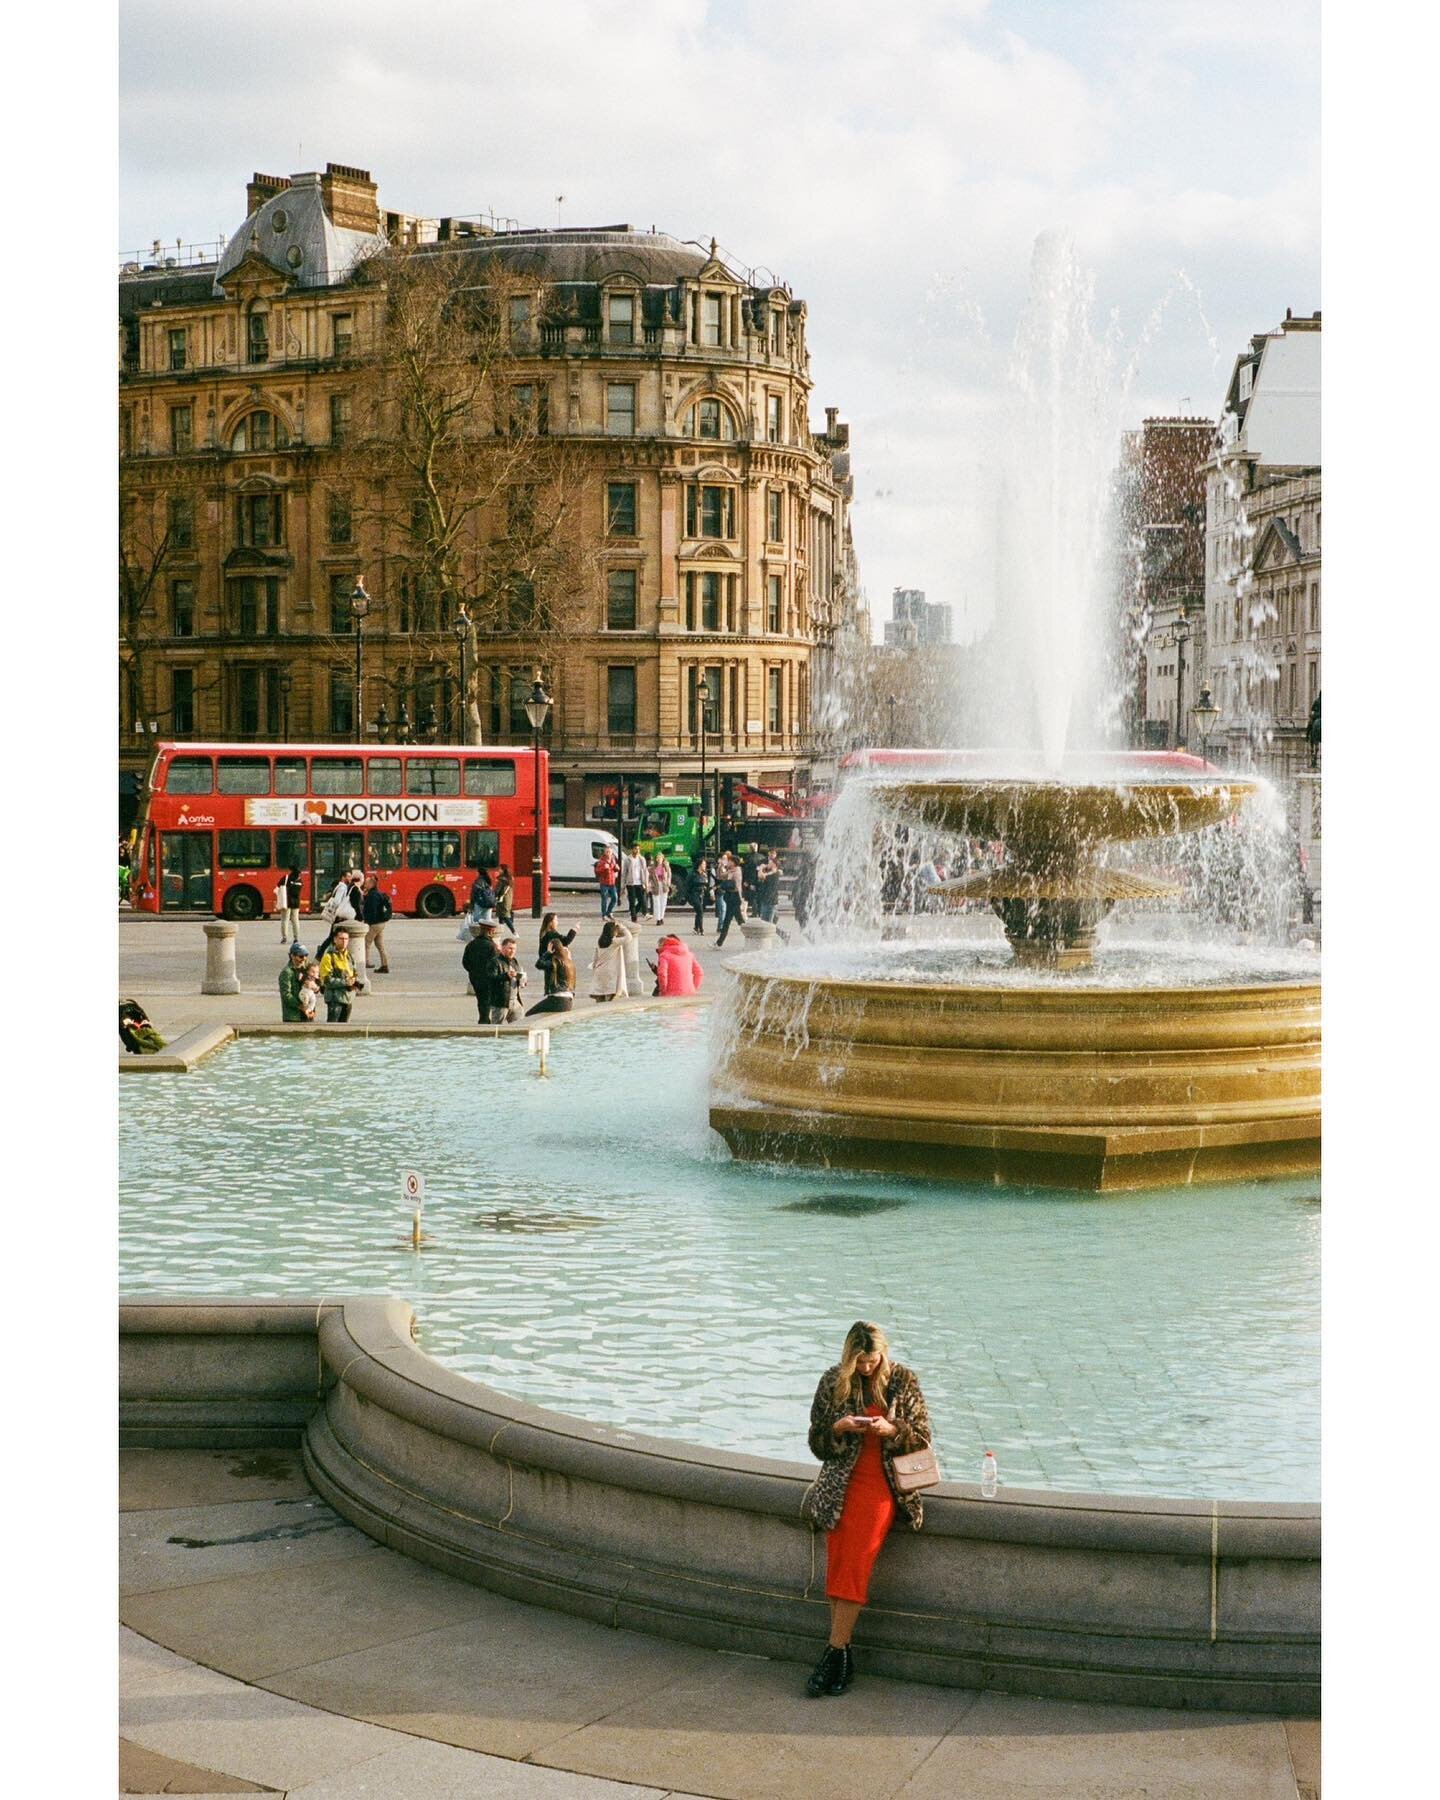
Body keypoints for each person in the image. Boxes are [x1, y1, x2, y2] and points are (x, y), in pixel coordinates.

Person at [801, 1321, 933, 1699]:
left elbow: (923, 1436)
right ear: (849, 1356)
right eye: (859, 1360)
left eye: (871, 1359)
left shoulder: (903, 1380)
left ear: (883, 1353)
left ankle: (833, 1653)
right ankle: (840, 1656)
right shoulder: (833, 1381)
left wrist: (892, 1431)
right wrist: (839, 1429)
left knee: (856, 1566)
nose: (865, 1367)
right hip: (840, 1486)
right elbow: (816, 1441)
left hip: (881, 1488)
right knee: (839, 1566)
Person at [462, 921, 508, 1024]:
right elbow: (496, 962)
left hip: (475, 978)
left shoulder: (471, 944)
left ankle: (483, 1019)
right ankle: (485, 1022)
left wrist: (473, 972)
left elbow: (465, 962)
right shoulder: (492, 946)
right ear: (491, 931)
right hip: (489, 979)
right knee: (490, 1001)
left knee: (481, 1001)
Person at [317, 926, 358, 1023]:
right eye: (341, 939)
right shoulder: (328, 957)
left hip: (348, 998)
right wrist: (345, 982)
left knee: (345, 1029)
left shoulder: (349, 956)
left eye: (346, 939)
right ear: (335, 939)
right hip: (335, 999)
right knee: (333, 1028)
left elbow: (354, 973)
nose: (344, 941)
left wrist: (354, 982)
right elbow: (326, 980)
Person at [527, 937, 576, 1014]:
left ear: (552, 949)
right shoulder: (570, 964)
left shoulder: (555, 963)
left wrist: (548, 952)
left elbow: (538, 964)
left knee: (529, 1015)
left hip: (557, 999)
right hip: (568, 1000)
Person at [590, 917, 632, 1000]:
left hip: (599, 971)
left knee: (600, 997)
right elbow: (629, 938)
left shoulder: (599, 942)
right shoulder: (614, 942)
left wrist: (594, 968)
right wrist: (622, 927)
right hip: (610, 972)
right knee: (609, 998)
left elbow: (595, 958)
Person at [362, 873, 393, 973]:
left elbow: (372, 911)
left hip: (375, 923)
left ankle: (365, 962)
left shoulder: (373, 895)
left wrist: (368, 922)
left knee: (366, 942)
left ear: (371, 884)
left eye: (366, 883)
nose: (364, 884)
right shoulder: (377, 893)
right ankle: (385, 965)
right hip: (381, 923)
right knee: (380, 945)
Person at [714, 852, 744, 947]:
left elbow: (732, 883)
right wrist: (720, 866)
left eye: (729, 861)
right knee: (733, 921)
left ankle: (756, 934)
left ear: (734, 862)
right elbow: (719, 876)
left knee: (738, 921)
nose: (728, 862)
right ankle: (719, 943)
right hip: (731, 898)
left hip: (735, 898)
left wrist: (725, 871)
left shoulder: (737, 871)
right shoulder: (731, 870)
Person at [496, 934, 527, 1021]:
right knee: (496, 1028)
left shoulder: (514, 961)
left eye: (514, 949)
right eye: (510, 948)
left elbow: (519, 975)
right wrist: (505, 976)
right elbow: (490, 979)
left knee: (519, 1026)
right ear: (502, 948)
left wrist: (522, 980)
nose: (512, 951)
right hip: (501, 1002)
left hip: (515, 1001)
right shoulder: (495, 962)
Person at [278, 942, 311, 1022]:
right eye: (301, 956)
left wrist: (316, 987)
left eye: (306, 955)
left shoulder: (306, 969)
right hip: (293, 1016)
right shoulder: (286, 972)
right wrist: (300, 1006)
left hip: (307, 1013)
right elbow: (286, 995)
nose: (304, 958)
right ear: (292, 956)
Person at [754, 853, 782, 924]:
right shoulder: (771, 873)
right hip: (766, 899)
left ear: (774, 865)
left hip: (770, 901)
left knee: (768, 923)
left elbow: (760, 876)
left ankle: (777, 932)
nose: (767, 864)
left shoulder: (775, 874)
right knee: (764, 921)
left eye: (769, 863)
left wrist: (760, 868)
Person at [624, 846, 648, 922]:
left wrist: (645, 883)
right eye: (635, 849)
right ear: (632, 850)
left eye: (638, 849)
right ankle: (634, 917)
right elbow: (624, 872)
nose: (637, 850)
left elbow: (645, 871)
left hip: (640, 882)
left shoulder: (642, 859)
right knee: (632, 901)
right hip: (631, 883)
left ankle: (638, 913)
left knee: (642, 900)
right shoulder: (628, 859)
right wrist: (623, 885)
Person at [689, 856, 713, 935]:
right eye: (703, 864)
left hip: (703, 895)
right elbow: (688, 886)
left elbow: (708, 885)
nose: (705, 866)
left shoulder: (705, 874)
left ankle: (696, 928)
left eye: (705, 864)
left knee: (700, 912)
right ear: (699, 865)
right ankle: (701, 929)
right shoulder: (693, 874)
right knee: (700, 911)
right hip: (695, 894)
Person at [595, 847, 620, 919]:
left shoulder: (613, 860)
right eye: (607, 852)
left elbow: (614, 869)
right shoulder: (602, 861)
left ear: (612, 853)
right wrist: (603, 868)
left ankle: (609, 912)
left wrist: (617, 868)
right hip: (604, 883)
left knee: (615, 898)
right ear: (605, 853)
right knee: (604, 899)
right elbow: (597, 870)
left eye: (610, 852)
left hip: (612, 883)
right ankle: (604, 914)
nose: (608, 853)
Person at [282, 863, 304, 944]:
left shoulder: (286, 878)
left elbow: (279, 886)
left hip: (287, 901)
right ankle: (296, 938)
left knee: (285, 920)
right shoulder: (300, 880)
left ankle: (284, 937)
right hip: (296, 902)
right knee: (295, 920)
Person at [650, 852, 672, 926]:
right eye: (658, 858)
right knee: (656, 903)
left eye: (660, 858)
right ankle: (658, 919)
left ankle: (662, 917)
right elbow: (649, 877)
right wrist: (650, 885)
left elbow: (669, 875)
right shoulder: (652, 867)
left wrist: (668, 883)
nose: (659, 859)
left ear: (663, 859)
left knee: (663, 903)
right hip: (656, 885)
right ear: (656, 859)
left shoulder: (665, 866)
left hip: (663, 885)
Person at [494, 864, 516, 932]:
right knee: (502, 915)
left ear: (503, 870)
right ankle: (501, 929)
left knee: (504, 915)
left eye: (499, 869)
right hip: (508, 898)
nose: (498, 871)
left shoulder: (502, 879)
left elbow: (497, 890)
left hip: (502, 899)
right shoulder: (510, 878)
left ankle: (514, 931)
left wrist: (493, 895)